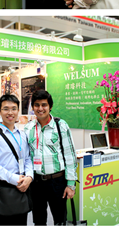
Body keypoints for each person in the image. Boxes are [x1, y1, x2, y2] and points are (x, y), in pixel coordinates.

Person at [24, 90, 77, 226]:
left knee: (60, 220)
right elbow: (26, 157)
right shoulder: (28, 128)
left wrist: (71, 184)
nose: (40, 108)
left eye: (44, 105)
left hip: (57, 181)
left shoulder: (60, 126)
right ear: (32, 107)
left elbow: (70, 156)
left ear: (50, 106)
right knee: (39, 221)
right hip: (36, 182)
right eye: (37, 105)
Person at [0, 94, 33, 226]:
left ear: (18, 111)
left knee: (21, 222)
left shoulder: (22, 134)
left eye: (14, 109)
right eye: (6, 109)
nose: (10, 113)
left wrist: (29, 176)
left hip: (22, 187)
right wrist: (14, 179)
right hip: (3, 188)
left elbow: (27, 158)